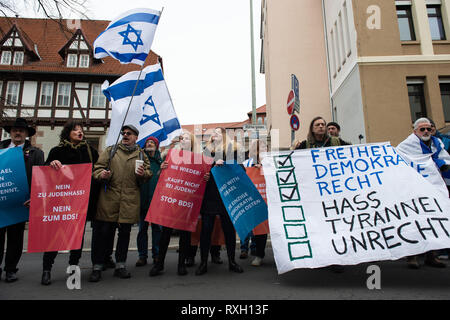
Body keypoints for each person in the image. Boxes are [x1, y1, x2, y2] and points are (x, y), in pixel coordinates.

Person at [89, 124, 151, 282]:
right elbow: (96, 169)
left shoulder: (142, 155)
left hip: (130, 200)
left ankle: (120, 266)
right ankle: (97, 266)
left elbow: (148, 173)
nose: (125, 135)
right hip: (109, 198)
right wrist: (102, 174)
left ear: (136, 137)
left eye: (129, 133)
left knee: (124, 235)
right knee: (103, 233)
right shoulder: (111, 151)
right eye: (123, 133)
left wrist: (144, 174)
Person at [40, 121, 99, 285]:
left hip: (81, 201)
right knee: (55, 236)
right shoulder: (57, 151)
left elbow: (97, 169)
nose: (79, 132)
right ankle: (46, 269)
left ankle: (73, 267)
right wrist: (51, 164)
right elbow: (45, 171)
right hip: (61, 201)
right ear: (68, 133)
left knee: (77, 237)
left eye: (81, 130)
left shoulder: (89, 151)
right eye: (75, 130)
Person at [149, 131, 210, 276]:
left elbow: (203, 180)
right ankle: (159, 264)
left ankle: (181, 264)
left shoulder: (199, 159)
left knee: (185, 235)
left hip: (188, 203)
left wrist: (207, 176)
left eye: (187, 138)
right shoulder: (171, 156)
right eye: (181, 138)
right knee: (165, 234)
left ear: (192, 142)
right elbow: (161, 177)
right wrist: (162, 169)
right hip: (172, 201)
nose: (183, 140)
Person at [293, 117, 347, 273]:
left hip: (334, 192)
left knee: (334, 226)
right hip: (314, 194)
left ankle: (336, 259)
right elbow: (292, 162)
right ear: (312, 128)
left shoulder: (337, 142)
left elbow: (353, 153)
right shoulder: (304, 145)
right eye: (318, 125)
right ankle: (321, 256)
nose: (322, 127)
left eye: (323, 124)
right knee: (319, 226)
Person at [397, 118, 448, 269]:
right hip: (414, 189)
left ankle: (431, 255)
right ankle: (412, 256)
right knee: (414, 221)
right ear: (415, 131)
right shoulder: (406, 146)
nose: (426, 132)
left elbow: (443, 158)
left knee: (433, 220)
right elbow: (398, 161)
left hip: (433, 188)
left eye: (428, 129)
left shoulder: (437, 144)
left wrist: (442, 164)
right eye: (422, 129)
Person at [0, 118, 44, 282]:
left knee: (15, 239)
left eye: (21, 131)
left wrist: (34, 197)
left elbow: (40, 178)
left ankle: (10, 269)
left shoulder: (35, 153)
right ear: (10, 132)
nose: (17, 133)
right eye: (14, 130)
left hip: (21, 203)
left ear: (26, 134)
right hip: (1, 202)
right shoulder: (1, 149)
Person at [195, 127, 244, 276]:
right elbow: (199, 171)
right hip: (209, 196)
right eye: (212, 133)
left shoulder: (234, 150)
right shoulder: (206, 152)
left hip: (227, 196)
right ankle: (203, 262)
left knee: (229, 230)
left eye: (217, 132)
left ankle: (232, 261)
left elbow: (241, 169)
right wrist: (211, 168)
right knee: (206, 230)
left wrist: (227, 164)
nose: (214, 134)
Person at [135, 136, 163, 267]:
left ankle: (157, 255)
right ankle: (142, 255)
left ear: (156, 146)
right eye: (147, 142)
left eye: (152, 142)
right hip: (142, 199)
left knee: (157, 229)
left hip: (156, 200)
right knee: (142, 229)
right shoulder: (140, 160)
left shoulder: (161, 162)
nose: (150, 144)